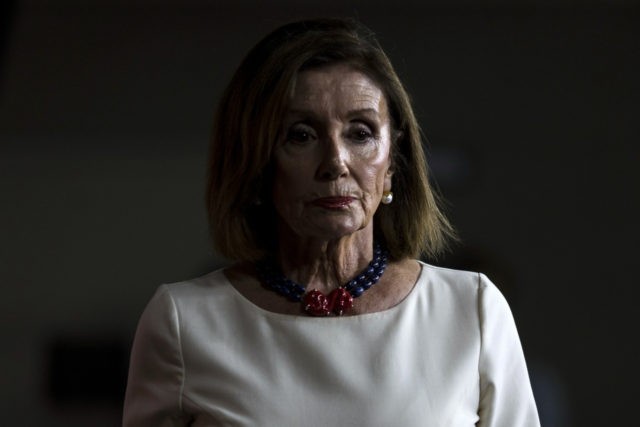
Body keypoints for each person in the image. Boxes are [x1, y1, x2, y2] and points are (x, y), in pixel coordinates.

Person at [123, 18, 540, 426]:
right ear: (254, 163)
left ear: (392, 163)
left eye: (360, 133)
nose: (335, 163)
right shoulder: (183, 321)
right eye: (301, 135)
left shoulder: (471, 309)